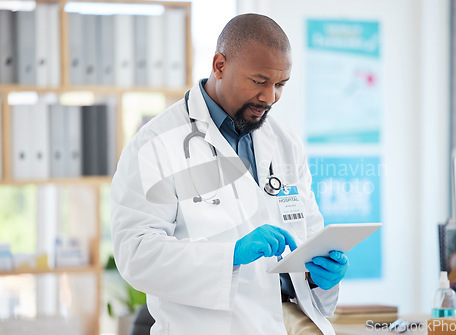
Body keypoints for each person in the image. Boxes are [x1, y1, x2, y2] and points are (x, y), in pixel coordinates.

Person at [110, 13, 349, 335]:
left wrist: (320, 275)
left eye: (280, 85)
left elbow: (307, 235)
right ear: (220, 65)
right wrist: (229, 256)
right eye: (260, 81)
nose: (270, 98)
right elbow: (136, 255)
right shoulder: (154, 144)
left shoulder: (284, 142)